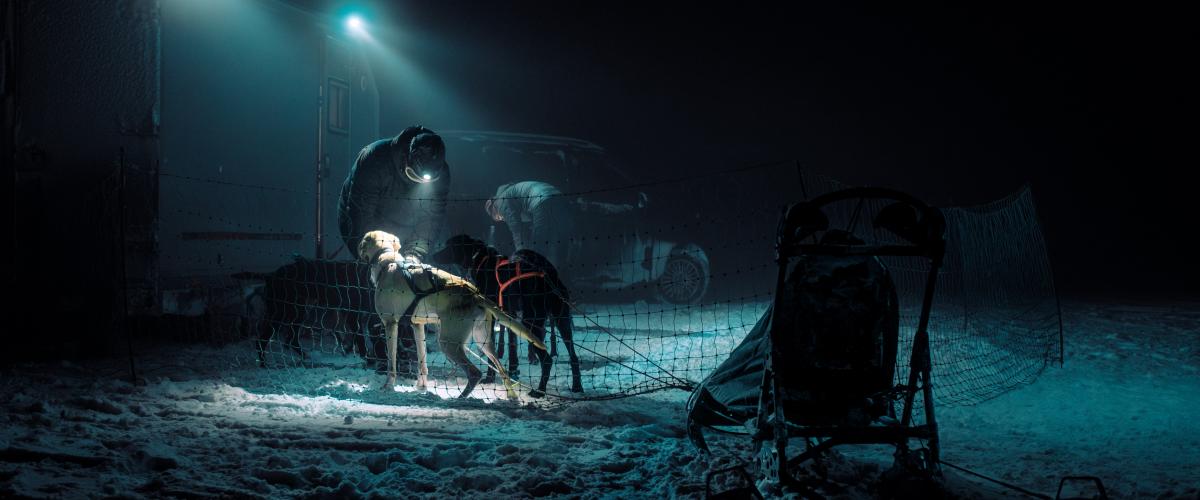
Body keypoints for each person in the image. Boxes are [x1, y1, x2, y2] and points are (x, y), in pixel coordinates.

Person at [337, 126, 450, 262]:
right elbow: (361, 213)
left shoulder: (442, 175)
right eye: (413, 176)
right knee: (374, 272)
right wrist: (379, 253)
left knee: (408, 271)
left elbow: (431, 219)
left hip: (406, 228)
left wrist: (416, 253)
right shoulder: (375, 158)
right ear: (405, 160)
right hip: (362, 224)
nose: (417, 184)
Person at [486, 181, 646, 267]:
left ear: (494, 209)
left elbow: (516, 228)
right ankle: (629, 208)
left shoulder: (502, 201)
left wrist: (521, 254)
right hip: (556, 196)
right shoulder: (516, 192)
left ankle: (536, 294)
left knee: (535, 254)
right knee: (559, 249)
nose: (502, 219)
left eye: (500, 218)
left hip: (543, 202)